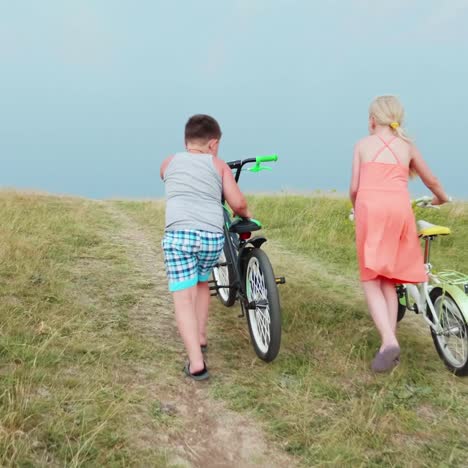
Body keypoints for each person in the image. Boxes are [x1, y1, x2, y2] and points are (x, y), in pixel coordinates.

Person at [349, 95, 449, 373]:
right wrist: (441, 198)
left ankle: (389, 341)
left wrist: (355, 208)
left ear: (372, 120)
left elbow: (355, 188)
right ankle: (388, 347)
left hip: (371, 208)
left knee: (371, 278)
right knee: (388, 280)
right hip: (399, 209)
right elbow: (432, 180)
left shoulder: (362, 145)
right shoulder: (407, 146)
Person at [160, 114, 251, 380]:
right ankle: (200, 336)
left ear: (186, 140)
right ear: (213, 144)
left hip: (179, 236)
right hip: (211, 238)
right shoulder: (217, 164)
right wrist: (245, 215)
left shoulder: (169, 162)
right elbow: (238, 203)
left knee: (182, 297)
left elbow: (167, 177)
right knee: (201, 283)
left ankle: (196, 362)